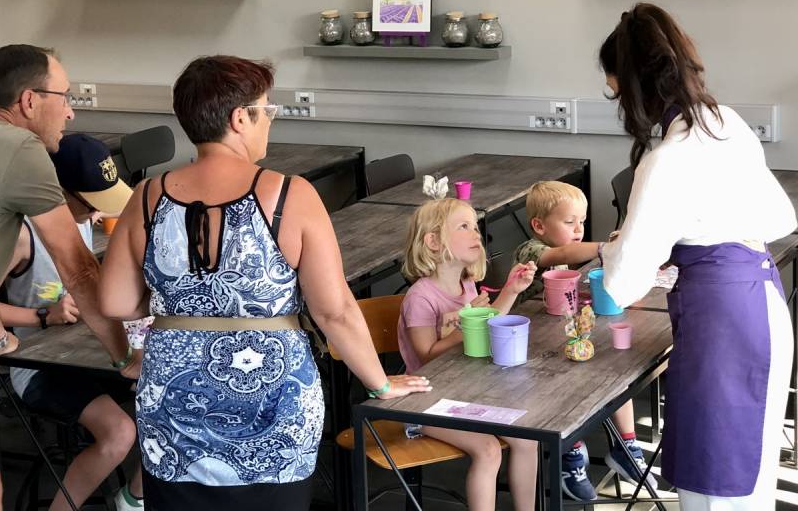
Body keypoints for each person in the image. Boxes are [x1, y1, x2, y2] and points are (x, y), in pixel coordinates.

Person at [98, 55, 431, 511]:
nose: (269, 121)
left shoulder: (147, 196)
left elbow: (116, 301)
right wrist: (381, 385)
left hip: (174, 396)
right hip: (274, 400)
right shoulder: (289, 194)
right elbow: (334, 311)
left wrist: (181, 304)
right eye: (266, 109)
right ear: (240, 118)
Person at [598, 3, 796, 510]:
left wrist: (614, 248)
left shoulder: (666, 160)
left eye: (615, 92)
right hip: (762, 305)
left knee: (715, 490)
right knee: (749, 486)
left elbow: (623, 282)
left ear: (635, 88)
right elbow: (779, 218)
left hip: (722, 329)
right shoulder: (724, 122)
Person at [0, 44, 138, 511]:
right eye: (65, 96)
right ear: (29, 101)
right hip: (36, 367)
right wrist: (124, 356)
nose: (71, 111)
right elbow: (77, 268)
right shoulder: (22, 149)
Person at [512, 180, 656, 501]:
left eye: (582, 221)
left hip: (563, 335)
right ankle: (570, 451)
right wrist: (604, 248)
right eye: (569, 222)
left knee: (616, 371)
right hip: (533, 347)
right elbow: (560, 254)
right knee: (564, 388)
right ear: (539, 226)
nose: (578, 229)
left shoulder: (565, 250)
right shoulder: (530, 250)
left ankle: (626, 445)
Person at [398, 197, 539, 511]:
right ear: (434, 242)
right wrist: (467, 325)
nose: (477, 233)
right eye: (464, 226)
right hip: (422, 406)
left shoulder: (468, 286)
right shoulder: (420, 297)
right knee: (488, 449)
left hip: (466, 394)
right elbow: (426, 356)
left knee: (528, 437)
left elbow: (489, 325)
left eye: (475, 226)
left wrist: (511, 290)